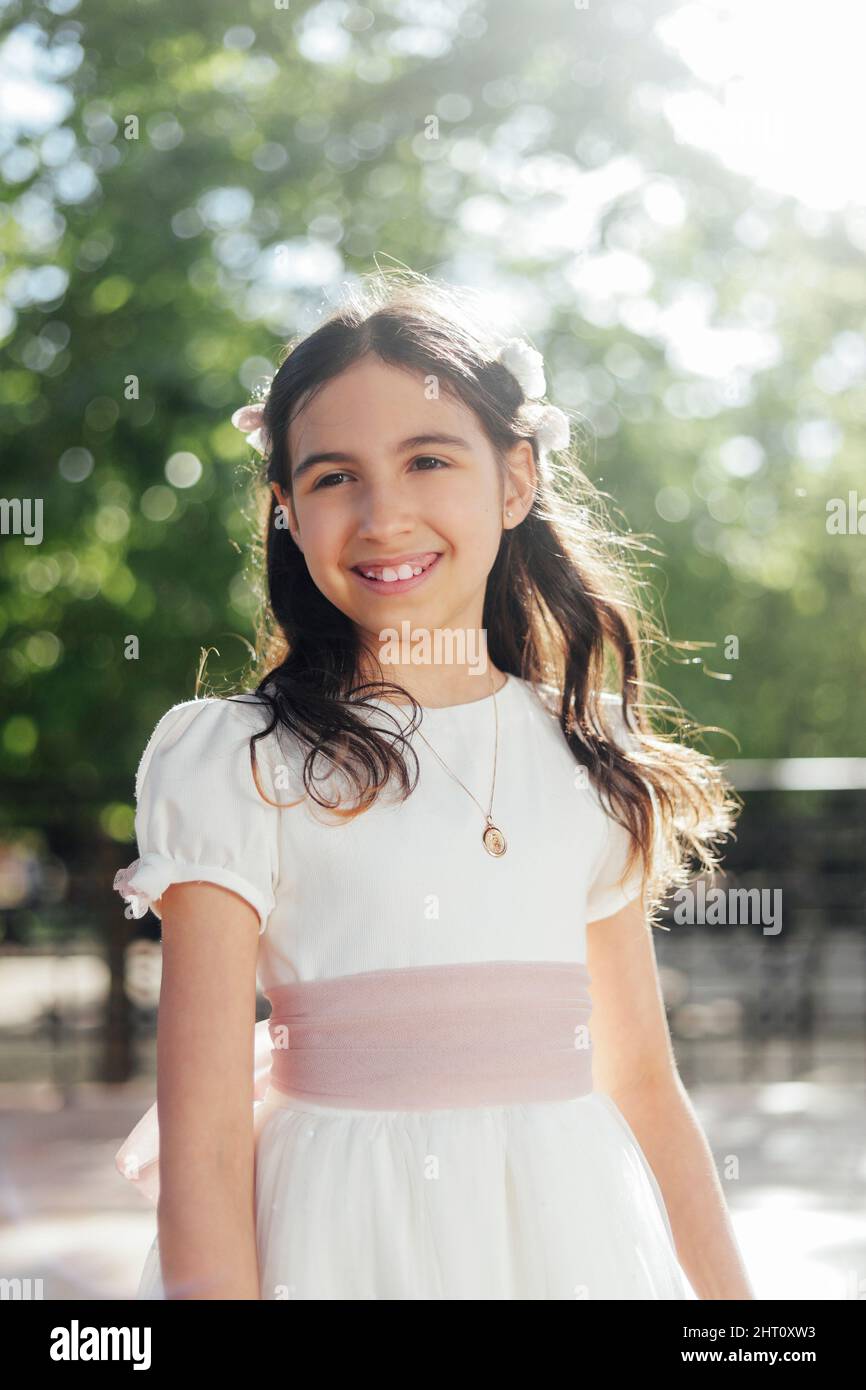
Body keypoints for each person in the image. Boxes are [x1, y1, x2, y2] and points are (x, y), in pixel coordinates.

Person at [113, 270, 754, 1300]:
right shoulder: (236, 761)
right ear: (284, 509)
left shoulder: (584, 757)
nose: (383, 513)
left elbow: (639, 1081)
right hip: (335, 1243)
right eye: (331, 477)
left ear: (513, 480)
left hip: (563, 1241)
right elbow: (203, 1143)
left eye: (425, 459)